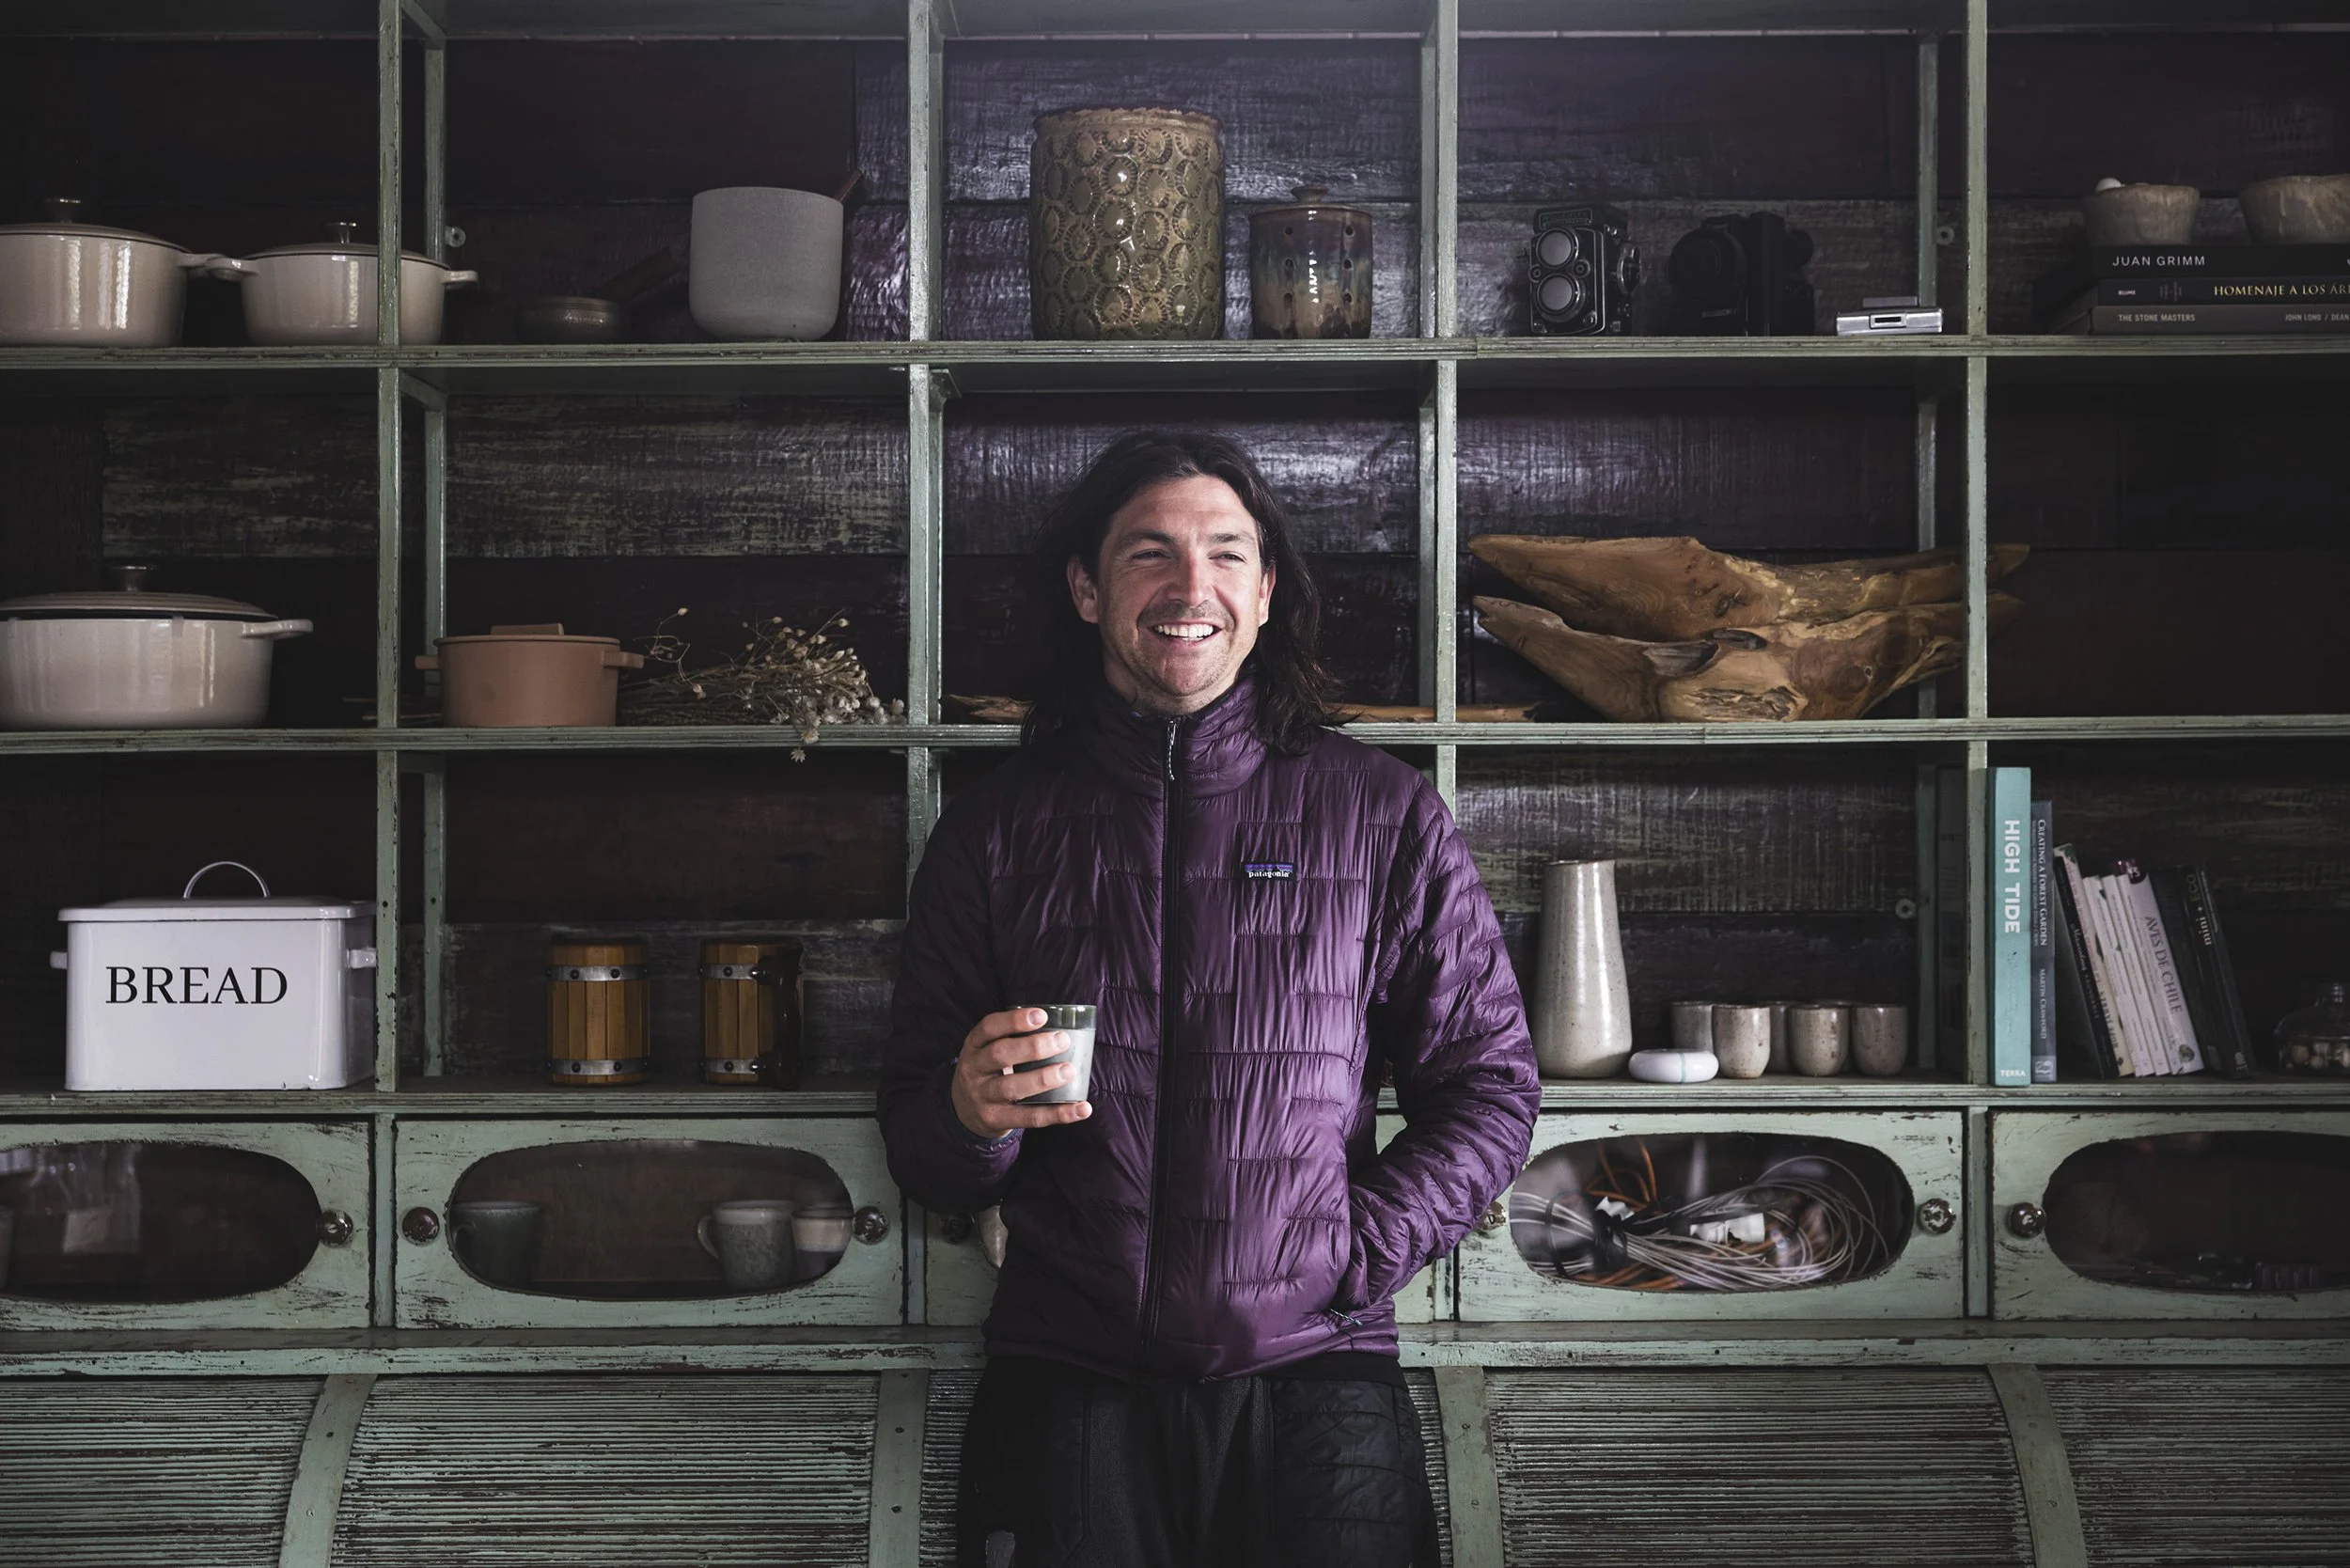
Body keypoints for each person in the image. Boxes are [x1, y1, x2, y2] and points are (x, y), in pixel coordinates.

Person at [877, 430, 1540, 1568]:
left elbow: (1487, 1090)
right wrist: (966, 1114)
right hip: (1068, 1378)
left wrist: (1352, 1247)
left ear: (1266, 589)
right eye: (1150, 554)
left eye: (1227, 554)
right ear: (1087, 589)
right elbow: (921, 1145)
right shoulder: (994, 829)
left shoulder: (1380, 815)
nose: (1192, 589)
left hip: (1318, 1381)